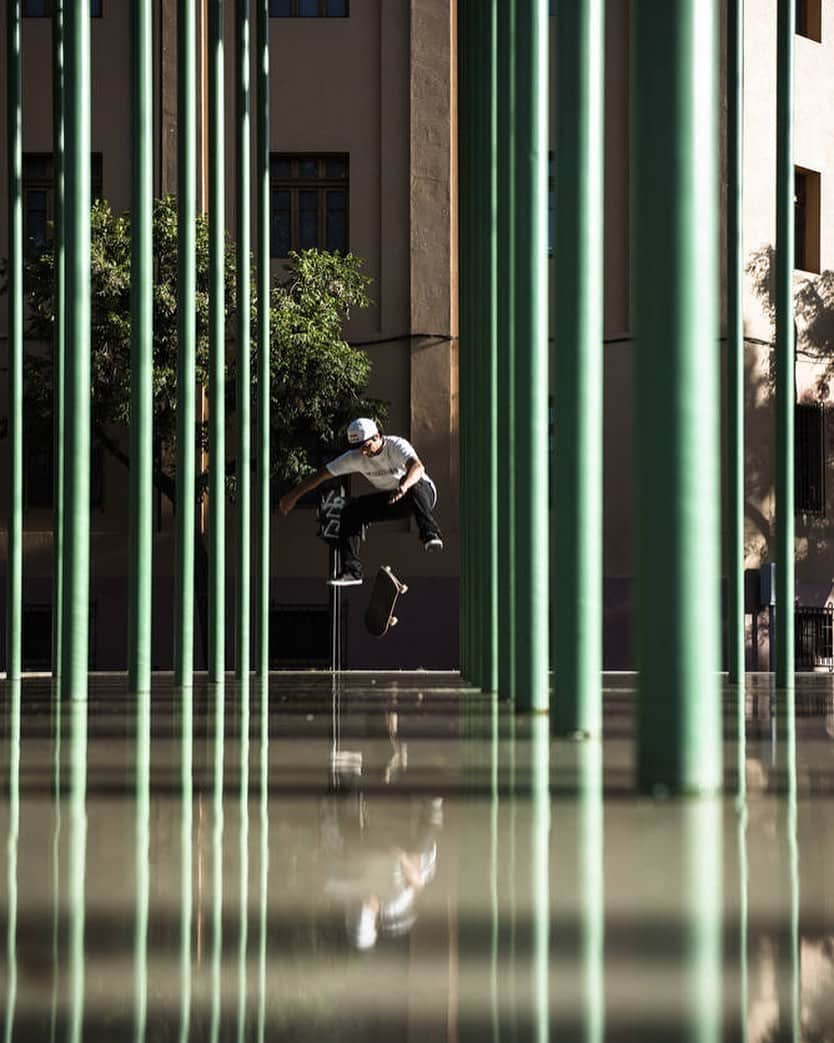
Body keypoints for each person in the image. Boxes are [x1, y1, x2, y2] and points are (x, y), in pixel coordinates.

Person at [278, 418, 444, 585]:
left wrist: (404, 486)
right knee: (351, 511)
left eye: (366, 447)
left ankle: (430, 533)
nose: (364, 453)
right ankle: (351, 571)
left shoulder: (396, 446)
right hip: (392, 500)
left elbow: (418, 467)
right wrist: (293, 496)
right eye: (359, 449)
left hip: (422, 494)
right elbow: (320, 475)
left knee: (416, 485)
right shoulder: (354, 457)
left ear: (377, 437)